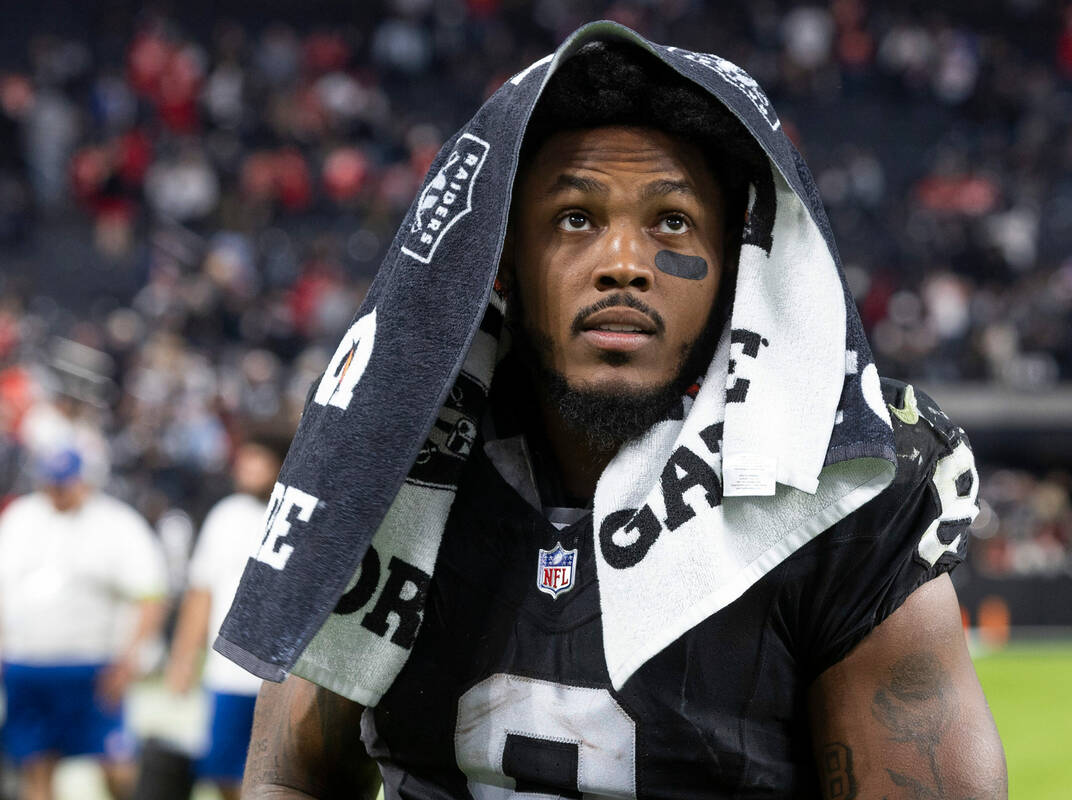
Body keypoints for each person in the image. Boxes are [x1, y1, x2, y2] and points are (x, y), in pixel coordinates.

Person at [236, 28, 1006, 799]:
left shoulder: (842, 483)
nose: (624, 264)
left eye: (672, 221)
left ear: (739, 267)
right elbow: (294, 780)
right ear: (501, 258)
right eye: (575, 217)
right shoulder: (395, 449)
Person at [0, 448, 167, 800]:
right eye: (51, 484)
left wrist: (130, 658)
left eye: (64, 485)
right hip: (27, 664)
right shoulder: (20, 518)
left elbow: (150, 595)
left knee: (115, 765)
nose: (57, 493)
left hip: (92, 665)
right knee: (36, 762)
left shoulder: (115, 524)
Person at [164, 437, 285, 799]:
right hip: (228, 673)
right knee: (224, 774)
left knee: (282, 778)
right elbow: (201, 591)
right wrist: (183, 659)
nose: (245, 468)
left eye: (256, 460)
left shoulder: (305, 511)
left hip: (282, 678)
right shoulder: (226, 514)